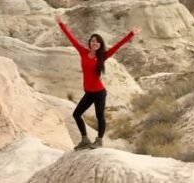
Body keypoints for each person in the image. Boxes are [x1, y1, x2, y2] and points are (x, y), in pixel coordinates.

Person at [55, 15, 141, 150]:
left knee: (100, 116)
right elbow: (71, 38)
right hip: (88, 92)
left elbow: (117, 46)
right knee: (76, 114)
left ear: (100, 45)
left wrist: (131, 34)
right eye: (93, 41)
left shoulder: (103, 56)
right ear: (90, 42)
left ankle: (99, 141)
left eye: (97, 42)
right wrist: (61, 24)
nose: (95, 43)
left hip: (99, 92)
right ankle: (85, 140)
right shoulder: (83, 52)